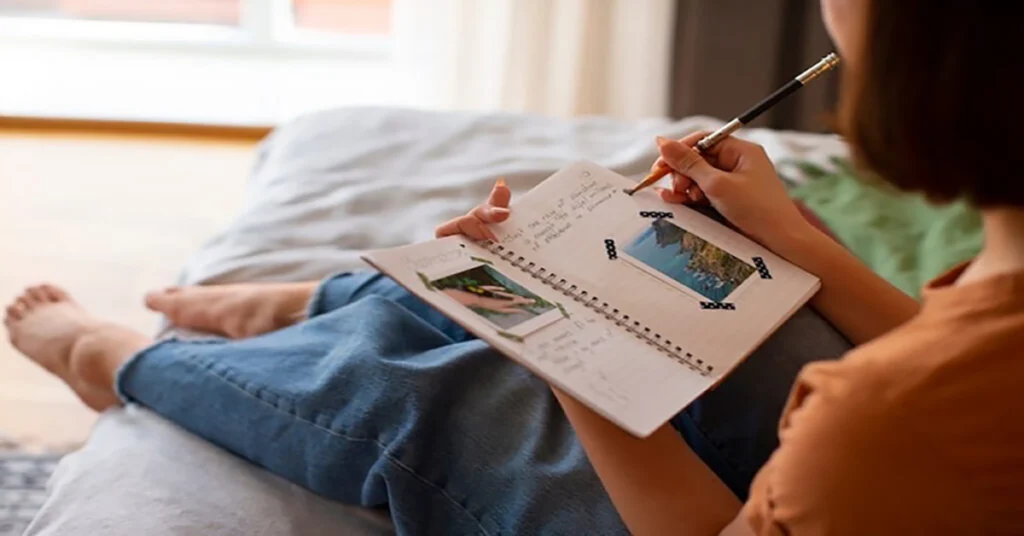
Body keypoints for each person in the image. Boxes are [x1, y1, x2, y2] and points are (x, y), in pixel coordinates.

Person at [5, 0, 1022, 534]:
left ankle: (120, 362)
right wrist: (795, 240)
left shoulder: (883, 421)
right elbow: (944, 350)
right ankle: (335, 297)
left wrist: (561, 343)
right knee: (729, 291)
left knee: (449, 400)